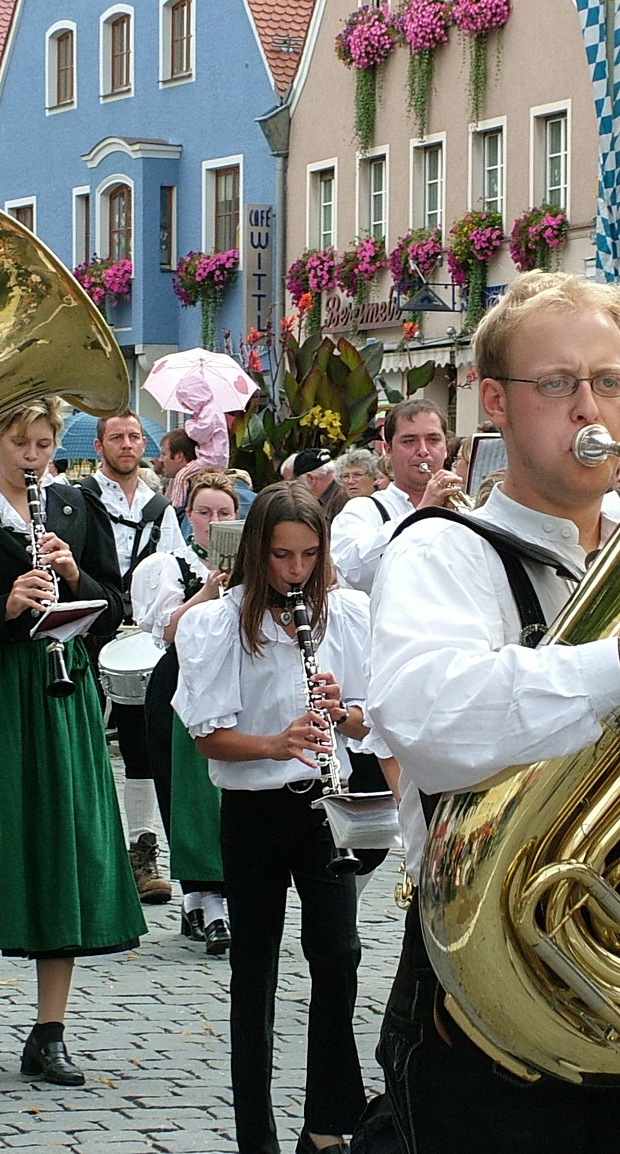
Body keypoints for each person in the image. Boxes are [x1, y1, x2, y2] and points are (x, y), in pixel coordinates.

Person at [365, 272, 620, 1153]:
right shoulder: (443, 552)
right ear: (496, 405)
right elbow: (428, 721)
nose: (589, 407)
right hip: (490, 996)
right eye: (557, 384)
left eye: (608, 382)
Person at [0, 398, 145, 1085]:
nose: (32, 455)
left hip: (61, 688)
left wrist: (73, 577)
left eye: (44, 442)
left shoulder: (75, 507)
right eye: (20, 441)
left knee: (65, 840)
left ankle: (49, 1029)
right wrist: (4, 605)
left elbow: (114, 604)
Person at [174, 482, 372, 1154]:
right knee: (253, 968)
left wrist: (342, 708)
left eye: (308, 556)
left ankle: (323, 1125)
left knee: (339, 956)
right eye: (282, 556)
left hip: (324, 810)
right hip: (253, 810)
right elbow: (208, 736)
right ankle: (253, 1134)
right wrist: (276, 743)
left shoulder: (345, 614)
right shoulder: (219, 622)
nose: (295, 571)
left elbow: (373, 720)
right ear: (258, 553)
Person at [130, 469, 238, 954]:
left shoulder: (254, 561)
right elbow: (169, 629)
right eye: (204, 513)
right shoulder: (169, 564)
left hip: (235, 679)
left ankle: (205, 902)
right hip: (181, 680)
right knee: (188, 794)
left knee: (225, 794)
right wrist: (211, 589)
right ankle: (206, 901)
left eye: (224, 513)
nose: (214, 522)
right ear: (187, 516)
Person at [80, 411, 185, 907]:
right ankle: (83, 854)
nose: (128, 444)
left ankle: (143, 852)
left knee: (142, 747)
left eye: (135, 436)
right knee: (81, 745)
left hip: (139, 638)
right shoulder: (75, 501)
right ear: (99, 446)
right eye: (117, 437)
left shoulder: (160, 507)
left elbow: (175, 564)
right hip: (87, 632)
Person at [328, 401, 466, 593]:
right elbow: (353, 573)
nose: (423, 451)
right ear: (389, 450)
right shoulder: (362, 509)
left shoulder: (465, 508)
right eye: (409, 441)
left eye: (433, 440)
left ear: (445, 449)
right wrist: (420, 514)